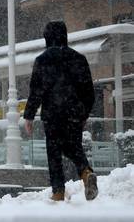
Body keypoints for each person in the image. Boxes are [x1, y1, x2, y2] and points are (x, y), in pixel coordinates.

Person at [23, 20, 99, 201]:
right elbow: (89, 91)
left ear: (47, 38)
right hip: (74, 112)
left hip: (52, 114)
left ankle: (58, 192)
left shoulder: (42, 60)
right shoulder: (79, 58)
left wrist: (29, 116)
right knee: (74, 146)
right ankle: (86, 173)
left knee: (54, 151)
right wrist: (84, 113)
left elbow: (36, 91)